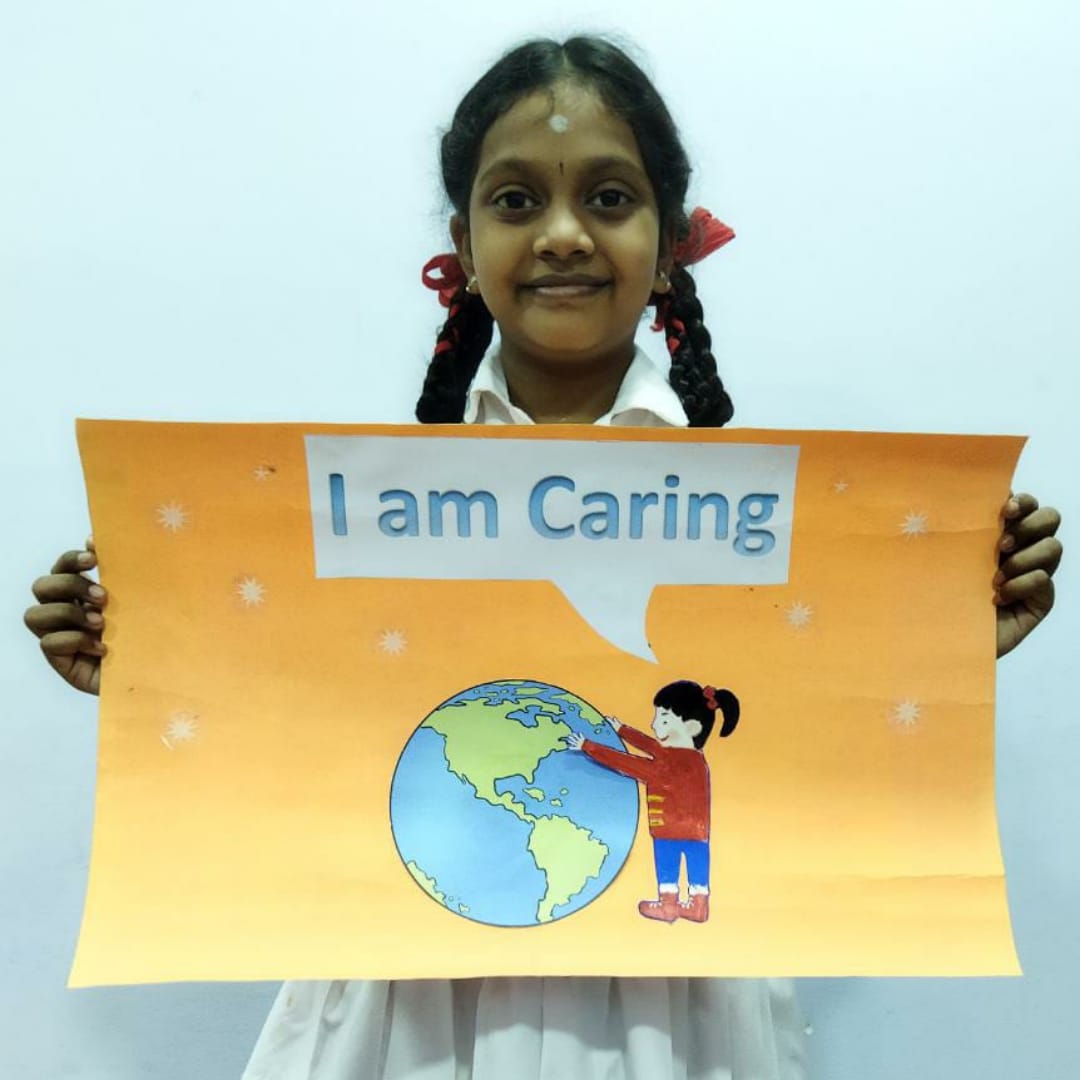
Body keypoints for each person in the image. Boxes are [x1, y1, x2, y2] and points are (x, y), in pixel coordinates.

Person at [23, 34, 1063, 1080]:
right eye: (517, 200)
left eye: (608, 197)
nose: (563, 235)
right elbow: (303, 718)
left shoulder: (768, 523)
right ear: (464, 244)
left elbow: (812, 733)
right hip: (404, 992)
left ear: (670, 244)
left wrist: (938, 640)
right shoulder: (355, 514)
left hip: (673, 1002)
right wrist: (155, 667)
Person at [566, 681, 740, 925]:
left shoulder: (667, 765)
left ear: (692, 727)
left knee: (668, 865)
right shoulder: (693, 758)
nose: (654, 723)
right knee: (698, 867)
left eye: (664, 719)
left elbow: (627, 764)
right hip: (698, 830)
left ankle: (668, 906)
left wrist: (588, 746)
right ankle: (698, 906)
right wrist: (622, 730)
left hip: (669, 829)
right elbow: (653, 746)